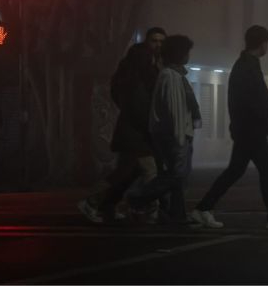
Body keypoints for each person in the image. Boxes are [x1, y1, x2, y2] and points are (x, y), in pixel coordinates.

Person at [190, 25, 268, 230]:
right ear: (263, 43)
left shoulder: (246, 65)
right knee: (266, 169)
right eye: (267, 42)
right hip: (251, 130)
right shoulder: (247, 67)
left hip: (247, 130)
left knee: (235, 170)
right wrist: (259, 123)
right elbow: (249, 101)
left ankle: (203, 208)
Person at [78, 27, 166, 224]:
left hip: (134, 130)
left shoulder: (145, 67)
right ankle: (98, 203)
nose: (158, 45)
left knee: (128, 172)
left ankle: (108, 205)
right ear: (146, 43)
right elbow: (138, 103)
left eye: (161, 41)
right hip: (136, 131)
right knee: (145, 171)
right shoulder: (141, 70)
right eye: (154, 41)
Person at [128, 34, 200, 226]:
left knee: (178, 178)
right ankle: (139, 197)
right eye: (187, 52)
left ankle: (176, 215)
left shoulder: (174, 75)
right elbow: (174, 110)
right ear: (180, 54)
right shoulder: (171, 76)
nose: (188, 56)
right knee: (176, 176)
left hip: (172, 135)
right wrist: (180, 138)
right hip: (174, 136)